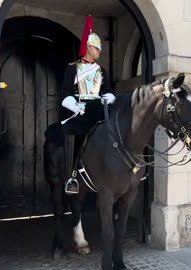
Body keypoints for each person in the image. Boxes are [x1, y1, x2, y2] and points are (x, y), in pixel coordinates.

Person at [60, 16, 115, 194]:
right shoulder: (72, 68)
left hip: (99, 107)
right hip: (81, 108)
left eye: (99, 47)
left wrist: (108, 98)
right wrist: (76, 107)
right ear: (89, 47)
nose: (99, 50)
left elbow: (108, 90)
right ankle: (72, 177)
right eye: (97, 47)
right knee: (77, 134)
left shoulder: (102, 71)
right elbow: (65, 92)